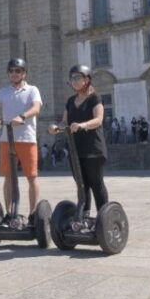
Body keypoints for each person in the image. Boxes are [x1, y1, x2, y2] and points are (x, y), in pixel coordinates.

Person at [48, 64, 109, 217]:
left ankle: (104, 216)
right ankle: (84, 216)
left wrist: (82, 125)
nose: (73, 81)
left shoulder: (95, 98)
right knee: (82, 185)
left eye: (77, 78)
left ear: (87, 79)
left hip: (94, 148)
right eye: (71, 78)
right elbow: (65, 122)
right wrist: (56, 127)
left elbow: (98, 119)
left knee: (96, 183)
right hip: (75, 149)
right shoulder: (70, 101)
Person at [0, 57, 43, 220]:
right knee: (8, 177)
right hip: (7, 139)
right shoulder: (3, 92)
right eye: (11, 71)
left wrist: (22, 116)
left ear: (24, 73)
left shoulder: (32, 90)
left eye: (18, 71)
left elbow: (36, 108)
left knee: (32, 176)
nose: (14, 73)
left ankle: (33, 212)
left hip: (27, 139)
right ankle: (10, 212)